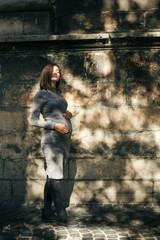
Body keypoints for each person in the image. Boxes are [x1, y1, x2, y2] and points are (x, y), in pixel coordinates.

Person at [31, 63, 77, 226]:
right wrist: (55, 125)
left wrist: (68, 115)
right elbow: (33, 120)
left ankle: (46, 211)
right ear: (47, 74)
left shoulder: (58, 93)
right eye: (53, 71)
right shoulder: (41, 94)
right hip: (52, 140)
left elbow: (58, 113)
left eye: (58, 71)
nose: (57, 73)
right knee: (55, 176)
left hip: (64, 140)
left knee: (52, 174)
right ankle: (60, 214)